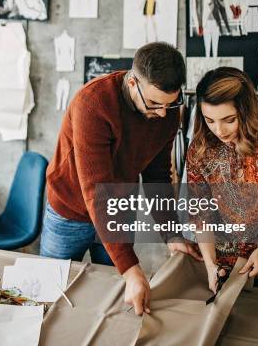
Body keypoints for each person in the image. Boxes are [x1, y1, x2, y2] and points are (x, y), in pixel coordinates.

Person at [41, 42, 202, 316]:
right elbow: (96, 189)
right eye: (153, 103)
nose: (163, 113)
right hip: (70, 211)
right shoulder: (93, 103)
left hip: (117, 209)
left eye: (170, 103)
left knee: (115, 302)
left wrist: (171, 233)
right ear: (131, 82)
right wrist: (130, 268)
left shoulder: (167, 110)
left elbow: (157, 176)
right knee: (49, 295)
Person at [187, 67, 258, 294]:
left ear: (246, 110)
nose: (219, 130)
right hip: (221, 265)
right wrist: (210, 264)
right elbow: (201, 213)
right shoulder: (201, 148)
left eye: (229, 120)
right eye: (209, 120)